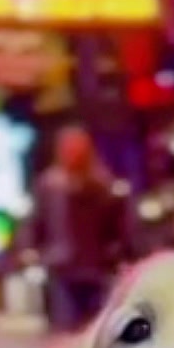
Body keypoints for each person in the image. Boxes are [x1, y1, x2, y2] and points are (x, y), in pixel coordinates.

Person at [32, 124, 128, 332]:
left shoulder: (101, 186)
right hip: (60, 266)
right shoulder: (49, 186)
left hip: (94, 268)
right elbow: (39, 223)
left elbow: (114, 229)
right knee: (66, 327)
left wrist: (113, 257)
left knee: (93, 328)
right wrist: (38, 252)